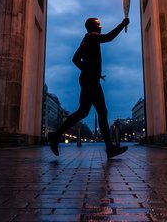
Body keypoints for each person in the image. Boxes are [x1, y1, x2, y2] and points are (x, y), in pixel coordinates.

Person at [48, 16, 130, 159]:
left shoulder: (86, 39)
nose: (101, 26)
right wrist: (122, 24)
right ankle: (109, 149)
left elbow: (75, 59)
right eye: (98, 24)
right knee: (102, 113)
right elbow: (109, 37)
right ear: (92, 27)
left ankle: (55, 135)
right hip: (90, 80)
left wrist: (87, 70)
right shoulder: (92, 36)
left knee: (83, 112)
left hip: (87, 79)